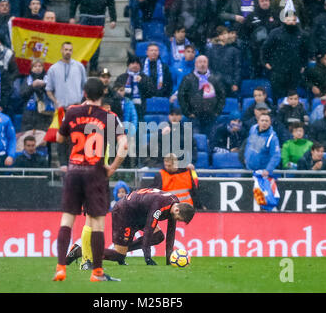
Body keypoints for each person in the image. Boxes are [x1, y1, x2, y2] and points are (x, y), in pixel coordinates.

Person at [53, 77, 128, 282]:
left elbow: (59, 139)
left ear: (84, 93)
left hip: (74, 170)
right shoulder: (109, 116)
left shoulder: (72, 112)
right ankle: (97, 272)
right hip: (95, 173)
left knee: (67, 220)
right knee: (97, 224)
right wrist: (111, 167)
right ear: (102, 94)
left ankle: (60, 267)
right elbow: (124, 145)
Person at [65, 188, 195, 267]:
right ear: (177, 210)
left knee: (158, 236)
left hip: (138, 214)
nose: (177, 221)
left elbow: (171, 233)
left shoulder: (174, 203)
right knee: (118, 256)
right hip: (124, 212)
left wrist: (169, 260)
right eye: (179, 219)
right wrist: (148, 258)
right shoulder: (161, 205)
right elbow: (149, 231)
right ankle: (78, 251)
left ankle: (123, 250)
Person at [261, 13, 309, 102]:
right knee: (277, 95)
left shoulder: (302, 34)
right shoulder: (275, 33)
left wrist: (303, 65)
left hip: (294, 71)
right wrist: (265, 62)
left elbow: (305, 52)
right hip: (278, 70)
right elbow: (265, 48)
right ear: (284, 20)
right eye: (289, 20)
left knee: (292, 95)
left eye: (293, 20)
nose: (291, 22)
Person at [178, 55, 226, 136]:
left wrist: (217, 112)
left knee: (211, 139)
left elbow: (222, 95)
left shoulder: (214, 79)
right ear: (196, 64)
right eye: (200, 62)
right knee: (196, 140)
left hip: (211, 116)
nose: (202, 64)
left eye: (204, 62)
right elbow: (181, 96)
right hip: (194, 116)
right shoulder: (188, 78)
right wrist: (187, 112)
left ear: (207, 64)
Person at [69, 0, 116, 75]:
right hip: (84, 16)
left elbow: (111, 1)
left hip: (99, 17)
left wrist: (113, 18)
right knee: (83, 43)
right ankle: (82, 66)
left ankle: (93, 68)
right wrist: (71, 16)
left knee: (96, 44)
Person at [239, 0, 278, 78]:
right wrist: (251, 43)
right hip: (255, 52)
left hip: (272, 51)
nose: (264, 2)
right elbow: (243, 33)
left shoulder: (275, 15)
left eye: (266, 0)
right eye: (262, 1)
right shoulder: (251, 16)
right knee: (256, 76)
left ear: (269, 1)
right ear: (258, 2)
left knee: (272, 76)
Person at [46, 41, 87, 110]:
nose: (68, 52)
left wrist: (81, 101)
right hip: (61, 108)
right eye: (66, 50)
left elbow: (85, 86)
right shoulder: (53, 69)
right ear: (61, 50)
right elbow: (49, 90)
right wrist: (56, 102)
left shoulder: (79, 67)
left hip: (76, 107)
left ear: (72, 52)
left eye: (70, 50)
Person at [114, 55, 154, 121]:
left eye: (137, 63)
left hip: (140, 107)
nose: (135, 65)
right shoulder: (122, 77)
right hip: (124, 106)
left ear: (140, 66)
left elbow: (150, 93)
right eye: (132, 63)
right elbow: (115, 93)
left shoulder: (145, 78)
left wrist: (142, 82)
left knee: (140, 128)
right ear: (128, 65)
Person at [19, 58, 53, 132]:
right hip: (29, 115)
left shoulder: (49, 79)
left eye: (40, 66)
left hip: (45, 115)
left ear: (43, 68)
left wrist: (43, 86)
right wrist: (32, 87)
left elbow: (53, 94)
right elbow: (22, 95)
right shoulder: (27, 80)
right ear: (31, 69)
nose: (37, 68)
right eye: (35, 66)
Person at [244, 112, 281, 177]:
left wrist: (268, 170)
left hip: (261, 173)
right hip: (248, 169)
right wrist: (245, 157)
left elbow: (276, 156)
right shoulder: (253, 129)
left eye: (266, 121)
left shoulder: (272, 138)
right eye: (262, 120)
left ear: (270, 123)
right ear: (258, 121)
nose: (264, 123)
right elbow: (248, 144)